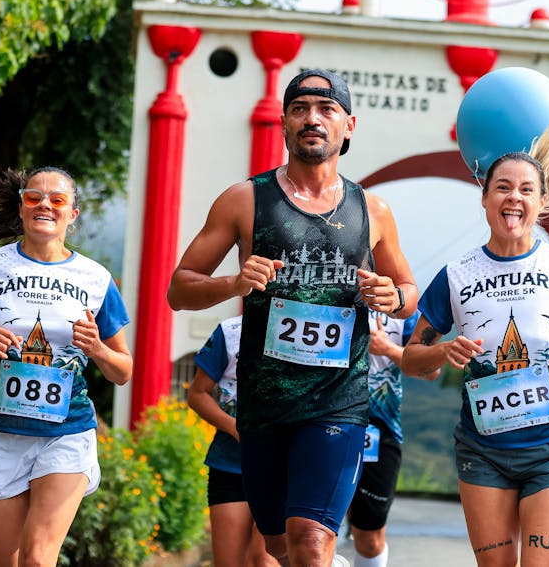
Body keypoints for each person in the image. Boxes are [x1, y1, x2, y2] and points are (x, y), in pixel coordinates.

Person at [166, 69, 419, 567]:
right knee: (278, 545)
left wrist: (393, 295)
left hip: (337, 401)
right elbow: (180, 288)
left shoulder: (373, 210)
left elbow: (410, 293)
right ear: (284, 123)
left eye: (326, 110)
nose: (313, 119)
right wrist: (235, 284)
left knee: (310, 539)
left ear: (349, 124)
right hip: (264, 405)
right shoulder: (245, 199)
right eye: (300, 108)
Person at [400, 133, 549, 567]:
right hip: (484, 450)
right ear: (484, 198)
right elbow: (411, 358)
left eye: (526, 189)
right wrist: (443, 352)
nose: (514, 197)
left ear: (541, 201)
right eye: (502, 187)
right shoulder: (456, 275)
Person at [0, 167, 133, 566]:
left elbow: (122, 370)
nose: (45, 205)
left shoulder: (95, 279)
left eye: (57, 200)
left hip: (67, 432)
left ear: (72, 214)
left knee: (39, 559)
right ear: (22, 208)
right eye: (34, 198)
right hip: (1, 432)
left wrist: (97, 349)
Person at [186, 316, 277, 567]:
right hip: (230, 464)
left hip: (282, 466)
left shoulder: (307, 324)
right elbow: (197, 394)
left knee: (264, 561)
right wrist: (235, 428)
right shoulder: (230, 331)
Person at [347, 309, 433, 567]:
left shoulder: (404, 311)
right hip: (321, 421)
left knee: (369, 537)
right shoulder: (326, 289)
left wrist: (387, 348)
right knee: (309, 529)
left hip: (379, 430)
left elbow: (430, 372)